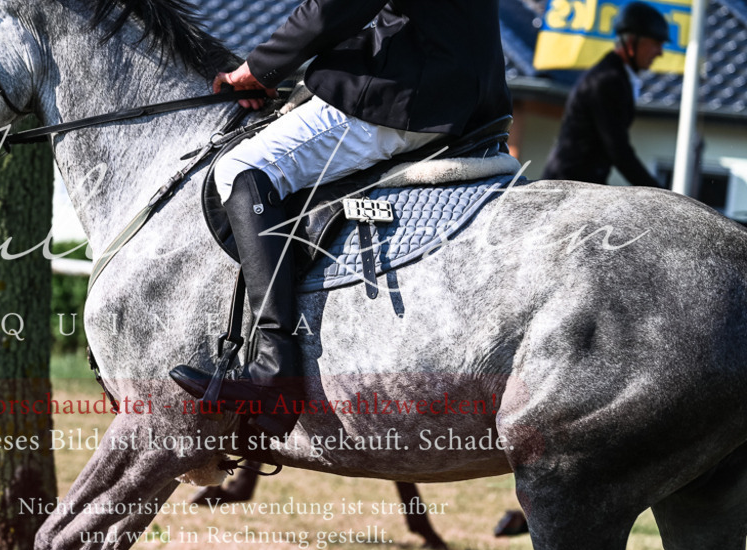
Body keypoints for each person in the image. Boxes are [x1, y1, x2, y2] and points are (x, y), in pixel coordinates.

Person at [170, 0, 513, 437]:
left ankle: (274, 371)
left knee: (240, 170)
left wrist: (259, 68)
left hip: (407, 91)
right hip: (472, 99)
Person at [541, 1, 668, 187]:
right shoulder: (607, 81)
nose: (660, 53)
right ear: (632, 42)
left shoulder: (619, 78)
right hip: (567, 185)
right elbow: (618, 150)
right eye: (656, 43)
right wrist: (660, 193)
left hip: (584, 184)